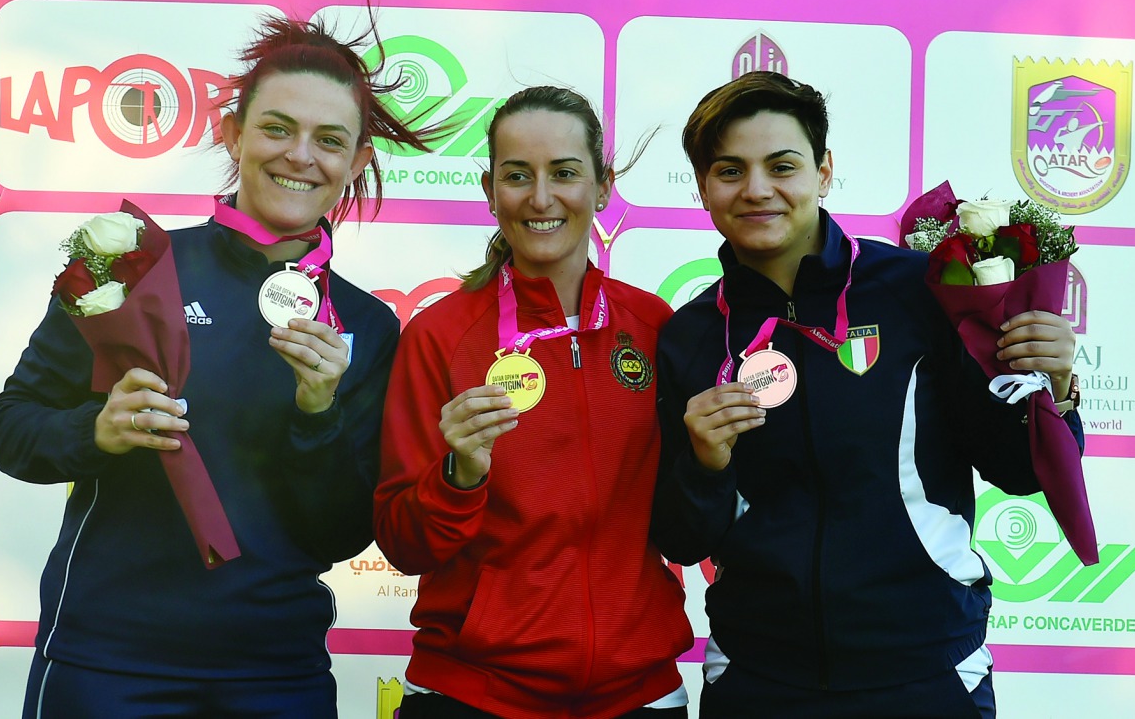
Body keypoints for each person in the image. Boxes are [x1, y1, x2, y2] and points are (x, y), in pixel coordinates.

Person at [0, 16, 440, 718]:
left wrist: (318, 413)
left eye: (329, 141)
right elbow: (12, 429)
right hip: (108, 661)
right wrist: (97, 431)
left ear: (356, 161)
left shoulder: (369, 326)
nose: (300, 156)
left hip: (276, 676)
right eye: (276, 128)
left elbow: (343, 532)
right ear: (233, 133)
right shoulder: (129, 267)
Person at [651, 71, 1083, 717]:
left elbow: (1018, 467)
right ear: (703, 187)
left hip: (925, 672)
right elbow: (681, 540)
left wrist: (1056, 389)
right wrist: (704, 467)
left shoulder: (920, 292)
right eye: (730, 170)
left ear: (825, 172)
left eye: (783, 165)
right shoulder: (690, 335)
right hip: (760, 680)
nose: (757, 189)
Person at [374, 86, 694, 719]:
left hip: (636, 692)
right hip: (474, 692)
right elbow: (404, 544)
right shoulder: (438, 337)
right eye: (518, 176)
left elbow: (683, 522)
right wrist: (460, 473)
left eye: (565, 174)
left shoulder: (654, 327)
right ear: (490, 190)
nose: (542, 198)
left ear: (602, 186)